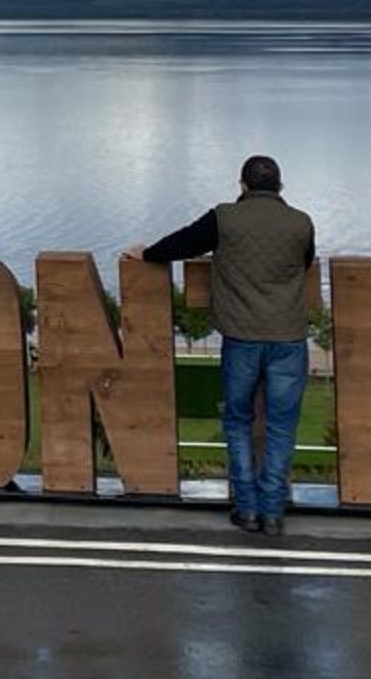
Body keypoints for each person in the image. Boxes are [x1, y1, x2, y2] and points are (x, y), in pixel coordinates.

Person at [131, 154, 315, 538]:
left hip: (241, 338)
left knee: (237, 421)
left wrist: (146, 254)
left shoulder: (224, 218)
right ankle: (273, 512)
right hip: (288, 339)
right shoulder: (302, 222)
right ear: (280, 187)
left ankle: (246, 508)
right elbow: (305, 261)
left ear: (242, 185)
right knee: (281, 426)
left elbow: (182, 243)